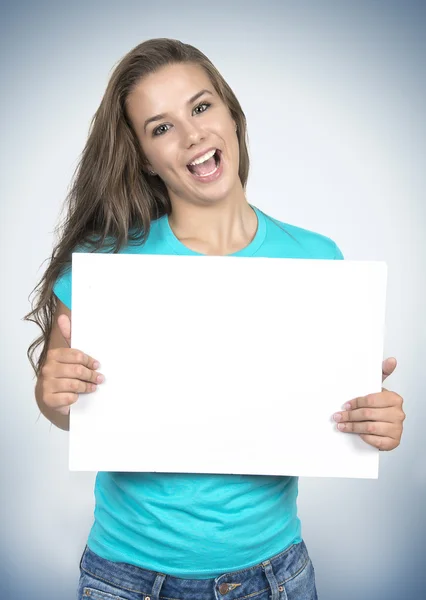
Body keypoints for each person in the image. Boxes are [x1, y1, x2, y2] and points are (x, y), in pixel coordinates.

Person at [25, 38, 405, 600]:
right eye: (161, 127)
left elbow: (326, 412)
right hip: (126, 578)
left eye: (201, 107)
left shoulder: (317, 259)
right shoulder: (108, 262)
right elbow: (61, 409)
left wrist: (373, 418)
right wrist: (53, 394)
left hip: (274, 575)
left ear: (232, 114)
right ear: (145, 157)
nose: (193, 134)